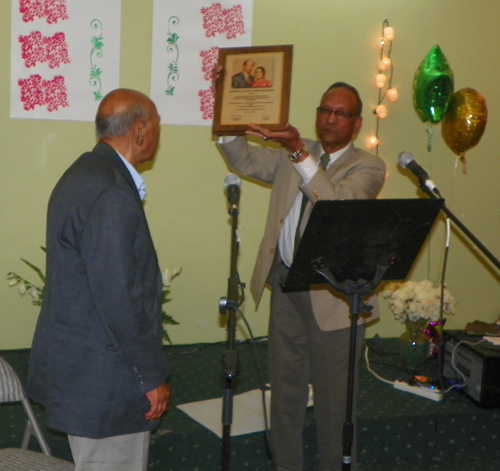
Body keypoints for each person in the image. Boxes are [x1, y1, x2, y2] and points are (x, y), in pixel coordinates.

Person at [216, 81, 386, 471]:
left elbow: (336, 205)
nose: (329, 119)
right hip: (286, 283)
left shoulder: (369, 165)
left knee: (333, 402)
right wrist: (228, 108)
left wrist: (296, 151)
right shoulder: (297, 153)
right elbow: (242, 160)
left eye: (340, 113)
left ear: (356, 124)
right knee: (285, 393)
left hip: (337, 298)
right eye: (324, 110)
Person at [26, 88, 172, 471]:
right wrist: (149, 376)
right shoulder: (110, 192)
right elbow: (117, 297)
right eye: (157, 123)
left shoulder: (82, 173)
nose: (159, 133)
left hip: (82, 368)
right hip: (106, 380)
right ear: (140, 130)